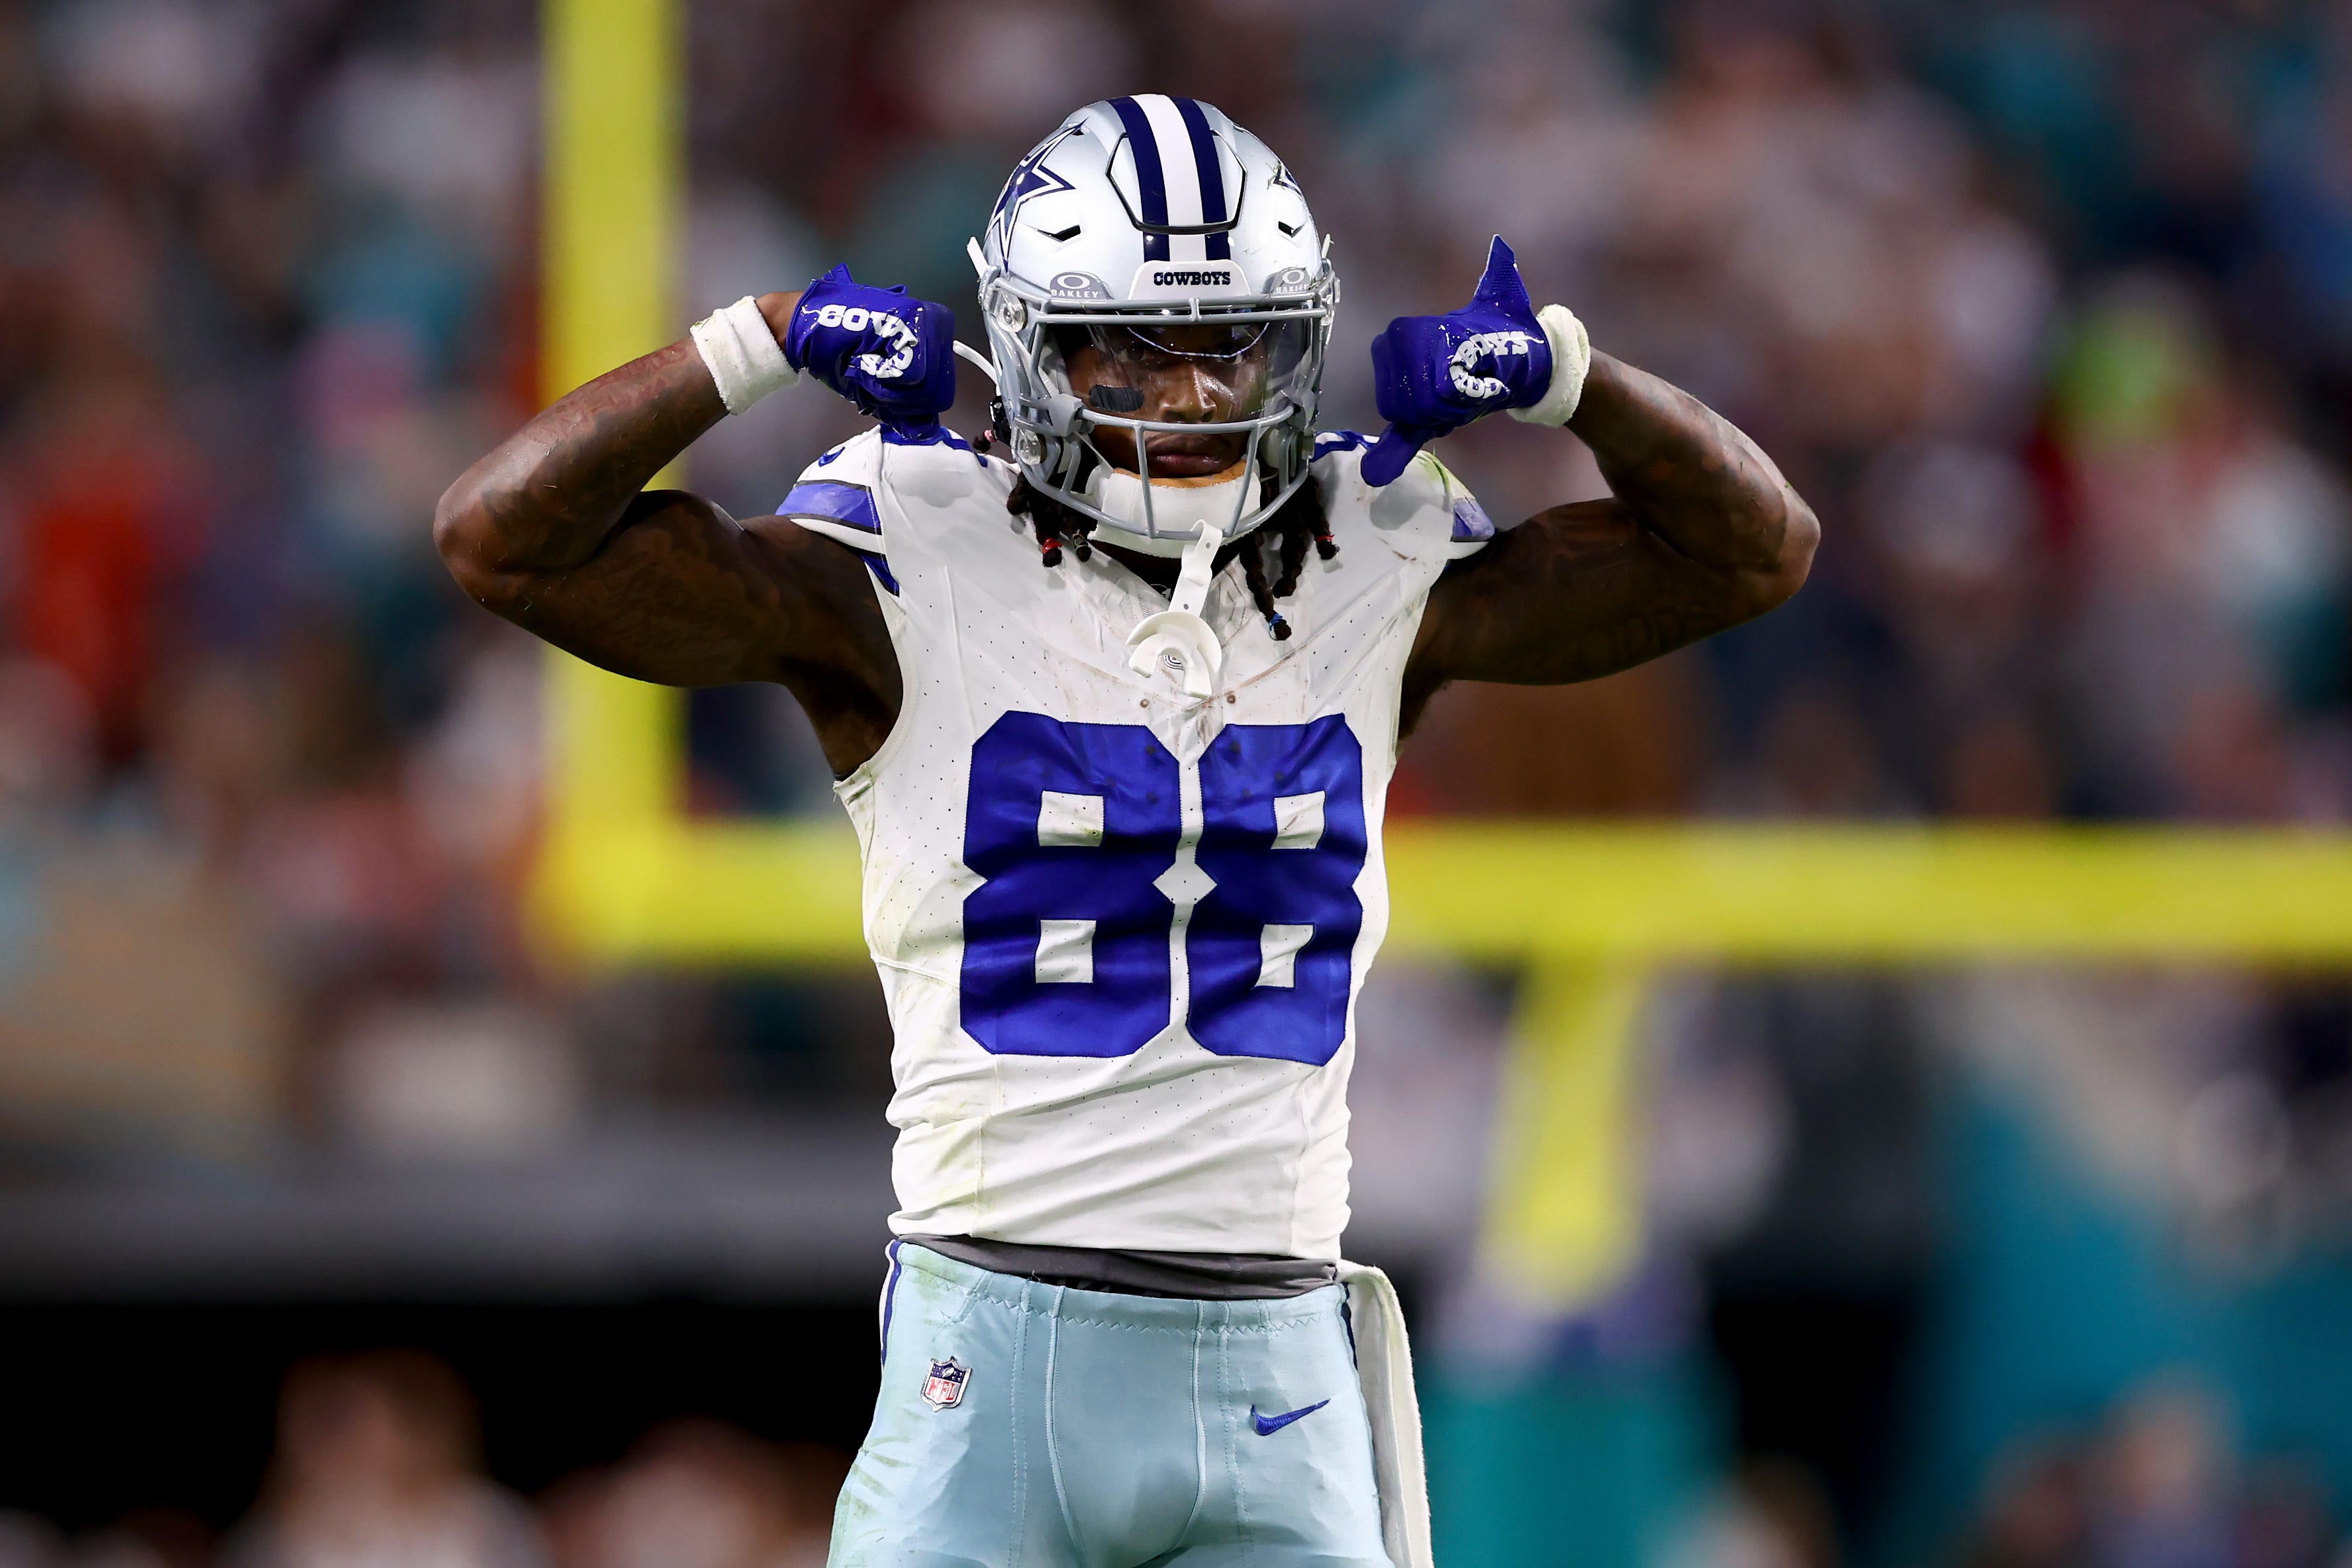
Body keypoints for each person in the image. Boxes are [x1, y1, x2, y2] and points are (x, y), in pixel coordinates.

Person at [437, 95, 1815, 1568]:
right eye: (1134, 344)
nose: (1193, 393)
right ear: (1033, 345)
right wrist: (756, 340)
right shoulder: (901, 549)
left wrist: (1567, 377)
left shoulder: (1375, 546)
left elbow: (1756, 550)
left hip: (1275, 1357)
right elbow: (501, 536)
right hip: (991, 1343)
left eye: (1231, 341)